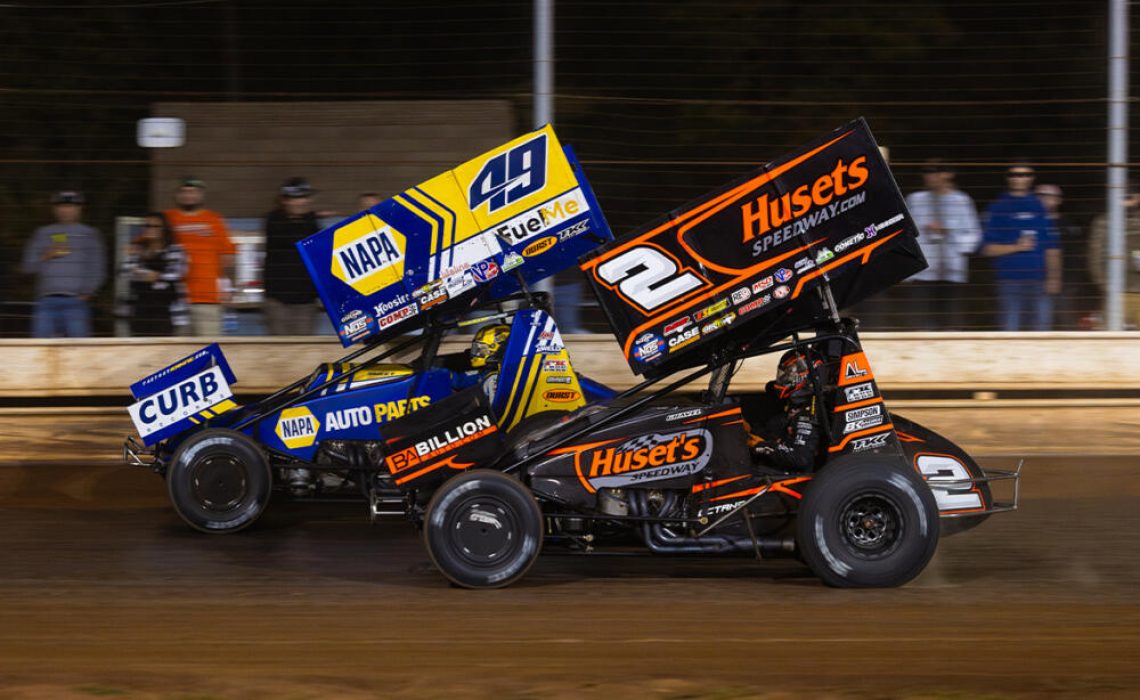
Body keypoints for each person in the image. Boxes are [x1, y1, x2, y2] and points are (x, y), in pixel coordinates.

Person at [900, 160, 982, 329]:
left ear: (949, 174)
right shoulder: (915, 200)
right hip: (923, 276)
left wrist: (948, 231)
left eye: (936, 171)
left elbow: (974, 237)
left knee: (951, 326)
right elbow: (904, 235)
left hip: (952, 275)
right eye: (927, 171)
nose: (930, 176)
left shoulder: (961, 201)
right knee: (918, 327)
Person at [980, 163, 1061, 331]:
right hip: (1009, 281)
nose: (1019, 178)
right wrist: (1016, 247)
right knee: (1010, 331)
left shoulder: (1040, 207)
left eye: (1025, 174)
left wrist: (1054, 277)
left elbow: (1052, 247)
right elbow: (987, 249)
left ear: (1032, 178)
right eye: (1014, 174)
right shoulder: (997, 207)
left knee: (1041, 332)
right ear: (1007, 177)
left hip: (1039, 281)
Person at [20, 190, 106, 338]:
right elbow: (27, 266)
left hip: (76, 302)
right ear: (54, 209)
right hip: (46, 301)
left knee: (77, 350)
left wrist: (88, 292)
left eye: (71, 206)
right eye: (61, 206)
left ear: (80, 209)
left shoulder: (90, 234)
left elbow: (98, 267)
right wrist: (45, 256)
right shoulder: (42, 233)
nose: (66, 210)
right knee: (42, 349)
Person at [164, 177, 235, 336]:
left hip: (209, 298)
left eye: (194, 191)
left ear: (202, 195)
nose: (189, 195)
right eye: (184, 191)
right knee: (177, 352)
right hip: (175, 300)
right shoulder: (166, 218)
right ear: (177, 195)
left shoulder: (214, 219)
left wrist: (227, 287)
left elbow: (228, 255)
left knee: (209, 351)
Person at [263, 177, 320, 335]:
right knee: (279, 348)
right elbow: (293, 239)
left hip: (306, 300)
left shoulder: (312, 221)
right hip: (278, 299)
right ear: (284, 200)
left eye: (303, 198)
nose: (300, 202)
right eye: (295, 198)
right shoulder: (273, 220)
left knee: (304, 348)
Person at [749, 349, 822, 472]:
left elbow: (801, 459)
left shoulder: (808, 414)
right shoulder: (796, 404)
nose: (783, 377)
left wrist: (765, 447)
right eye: (784, 373)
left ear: (804, 376)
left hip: (796, 478)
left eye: (789, 373)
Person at [1036, 184, 1096, 329]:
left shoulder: (1069, 224)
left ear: (1059, 200)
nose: (1045, 200)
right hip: (1034, 281)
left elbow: (1078, 252)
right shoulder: (1028, 223)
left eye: (1050, 196)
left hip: (1067, 281)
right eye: (1040, 196)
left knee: (1065, 319)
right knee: (1040, 322)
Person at [120, 212, 188, 336]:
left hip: (167, 312)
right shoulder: (137, 249)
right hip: (139, 310)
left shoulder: (175, 249)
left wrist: (146, 275)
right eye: (147, 225)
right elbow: (127, 272)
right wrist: (154, 276)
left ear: (164, 229)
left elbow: (175, 274)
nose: (150, 229)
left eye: (155, 226)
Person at [1087, 186, 1140, 329]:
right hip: (1115, 294)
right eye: (1121, 197)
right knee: (1110, 339)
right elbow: (1095, 259)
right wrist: (1107, 286)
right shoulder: (1104, 222)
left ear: (1138, 198)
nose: (1125, 201)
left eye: (1129, 197)